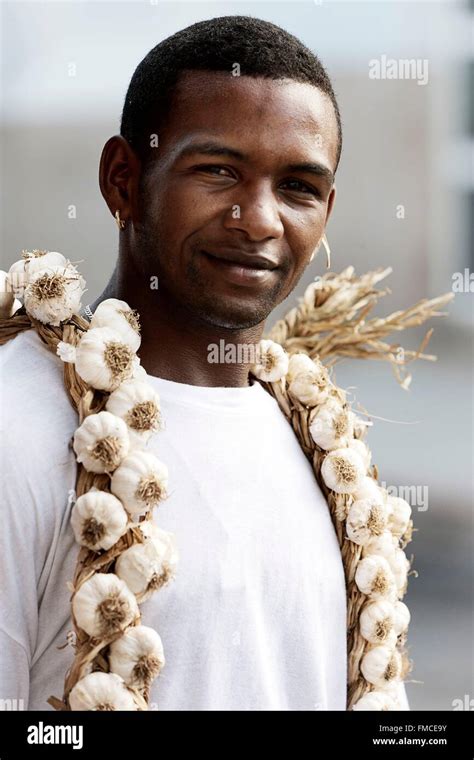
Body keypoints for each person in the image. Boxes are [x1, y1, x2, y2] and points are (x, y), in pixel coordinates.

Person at [0, 16, 409, 711]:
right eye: (218, 171)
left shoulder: (330, 451)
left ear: (327, 211)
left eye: (299, 187)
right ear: (123, 180)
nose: (260, 220)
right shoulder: (18, 428)